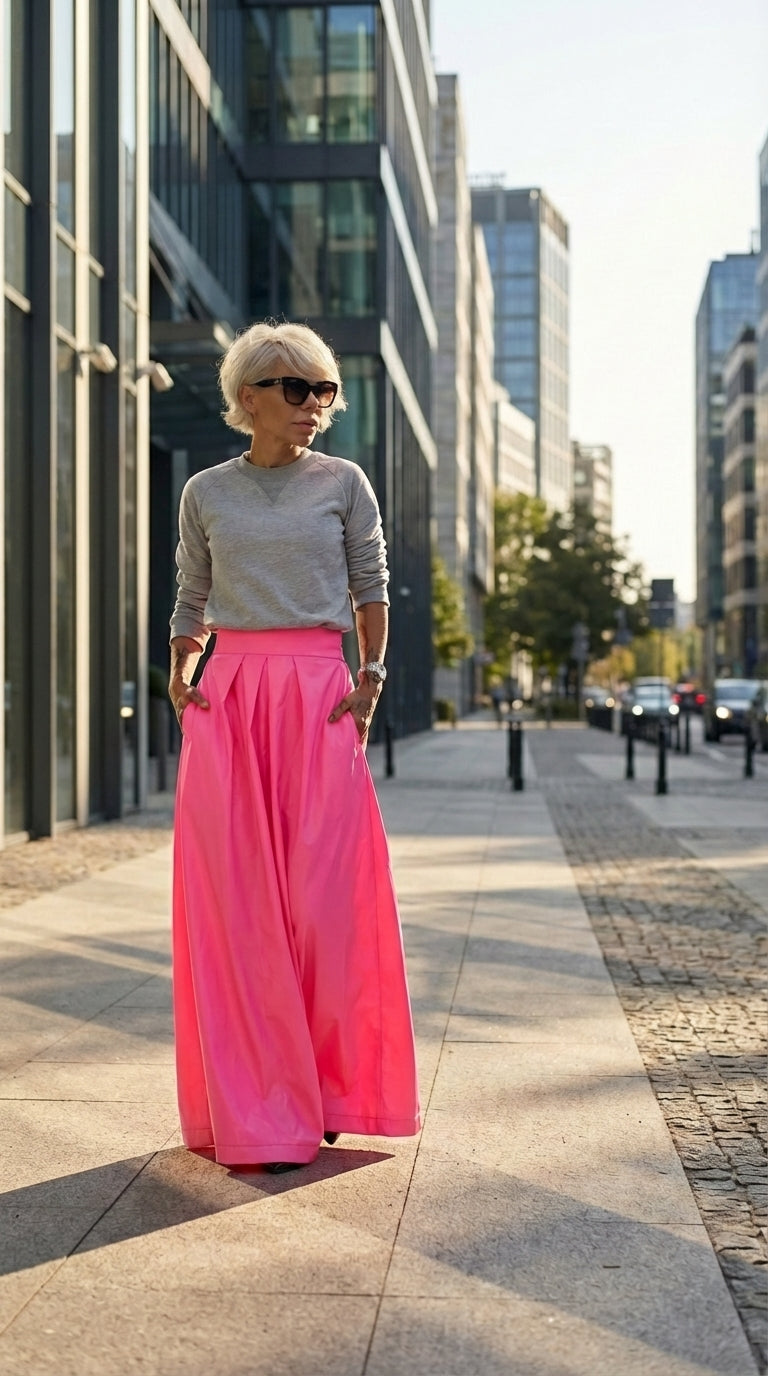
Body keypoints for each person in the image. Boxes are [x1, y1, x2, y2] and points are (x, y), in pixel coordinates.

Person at [169, 321, 421, 1174]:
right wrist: (179, 670)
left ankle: (335, 1091)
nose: (316, 405)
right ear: (249, 397)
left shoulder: (345, 483)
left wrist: (372, 676)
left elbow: (370, 584)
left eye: (324, 391)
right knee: (235, 908)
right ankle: (257, 1108)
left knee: (324, 902)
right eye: (296, 389)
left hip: (318, 695)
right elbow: (191, 592)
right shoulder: (206, 489)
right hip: (229, 695)